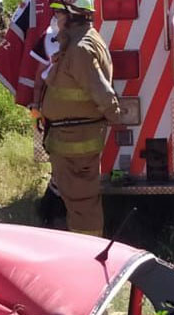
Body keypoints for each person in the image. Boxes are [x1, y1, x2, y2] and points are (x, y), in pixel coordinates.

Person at [41, 0, 121, 236]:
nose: (55, 18)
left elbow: (101, 91)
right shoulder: (78, 42)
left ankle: (87, 252)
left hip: (75, 141)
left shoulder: (80, 49)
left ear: (73, 14)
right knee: (78, 201)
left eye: (58, 12)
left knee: (82, 203)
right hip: (70, 137)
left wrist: (114, 115)